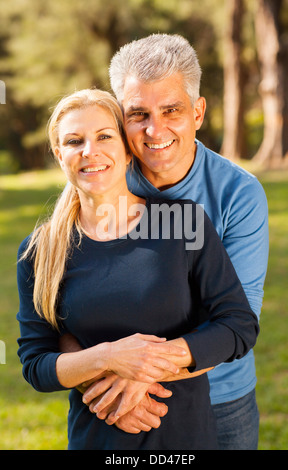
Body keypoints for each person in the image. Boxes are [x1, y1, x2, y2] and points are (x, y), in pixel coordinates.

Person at [17, 88, 259, 450]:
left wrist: (146, 368)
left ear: (126, 149)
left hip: (184, 439)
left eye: (103, 136)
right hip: (97, 439)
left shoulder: (183, 223)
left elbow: (237, 326)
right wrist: (109, 358)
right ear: (59, 154)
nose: (89, 152)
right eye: (74, 141)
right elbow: (37, 363)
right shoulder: (40, 250)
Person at [72, 34, 269, 450]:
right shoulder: (99, 181)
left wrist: (135, 378)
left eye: (171, 110)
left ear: (197, 112)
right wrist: (103, 380)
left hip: (220, 398)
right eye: (138, 113)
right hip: (110, 400)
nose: (153, 128)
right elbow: (58, 311)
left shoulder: (239, 194)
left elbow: (237, 318)